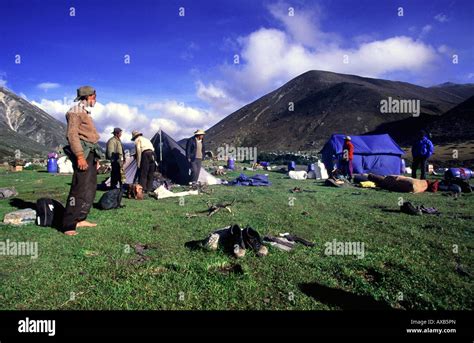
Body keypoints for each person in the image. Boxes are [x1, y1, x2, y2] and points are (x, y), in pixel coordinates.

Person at [62, 86, 103, 236]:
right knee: (79, 187)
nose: (96, 100)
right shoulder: (75, 112)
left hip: (91, 153)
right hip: (83, 153)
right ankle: (69, 224)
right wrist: (79, 156)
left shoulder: (85, 112)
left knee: (90, 187)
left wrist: (96, 158)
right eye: (94, 97)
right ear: (89, 96)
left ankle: (80, 218)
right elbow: (72, 135)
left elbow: (90, 137)